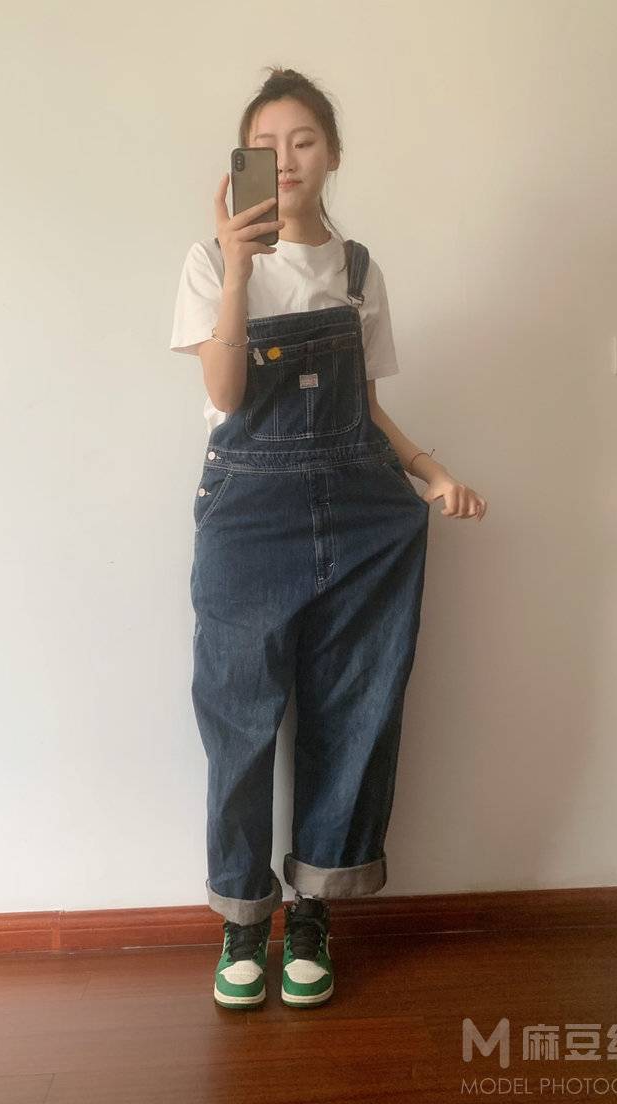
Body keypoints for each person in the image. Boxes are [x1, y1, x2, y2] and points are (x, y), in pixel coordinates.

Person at [170, 67, 487, 1011]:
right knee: (239, 717)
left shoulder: (358, 270)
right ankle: (242, 920)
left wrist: (428, 471)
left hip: (361, 511)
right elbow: (225, 393)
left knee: (355, 708)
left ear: (333, 154)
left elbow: (367, 408)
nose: (285, 159)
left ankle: (312, 909)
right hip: (248, 515)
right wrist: (239, 269)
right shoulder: (208, 261)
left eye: (303, 140)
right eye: (265, 145)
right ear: (242, 159)